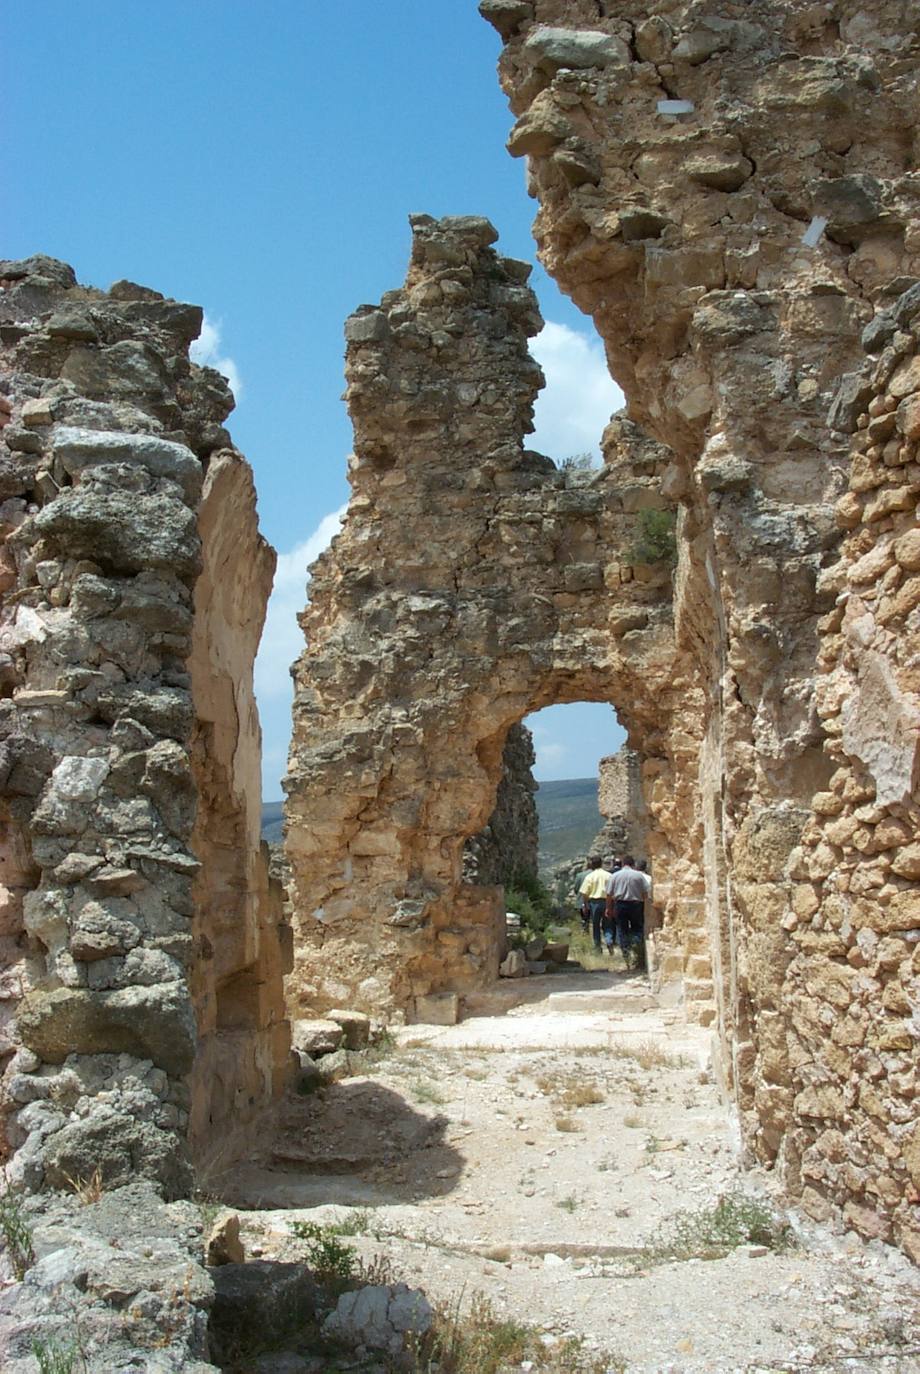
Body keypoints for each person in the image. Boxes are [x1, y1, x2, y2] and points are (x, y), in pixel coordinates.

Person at [605, 855, 651, 966]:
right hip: (636, 904)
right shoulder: (639, 876)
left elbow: (609, 894)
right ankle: (637, 948)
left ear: (623, 864)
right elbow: (645, 894)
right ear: (633, 864)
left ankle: (626, 954)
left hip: (620, 904)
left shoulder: (615, 876)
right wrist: (645, 907)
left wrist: (608, 908)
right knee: (637, 927)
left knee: (622, 929)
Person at [578, 856, 613, 952]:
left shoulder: (590, 876)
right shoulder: (609, 875)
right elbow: (613, 891)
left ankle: (597, 947)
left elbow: (585, 893)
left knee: (595, 925)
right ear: (601, 864)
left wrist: (585, 905)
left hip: (594, 902)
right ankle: (609, 940)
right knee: (608, 924)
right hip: (607, 901)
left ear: (592, 865)